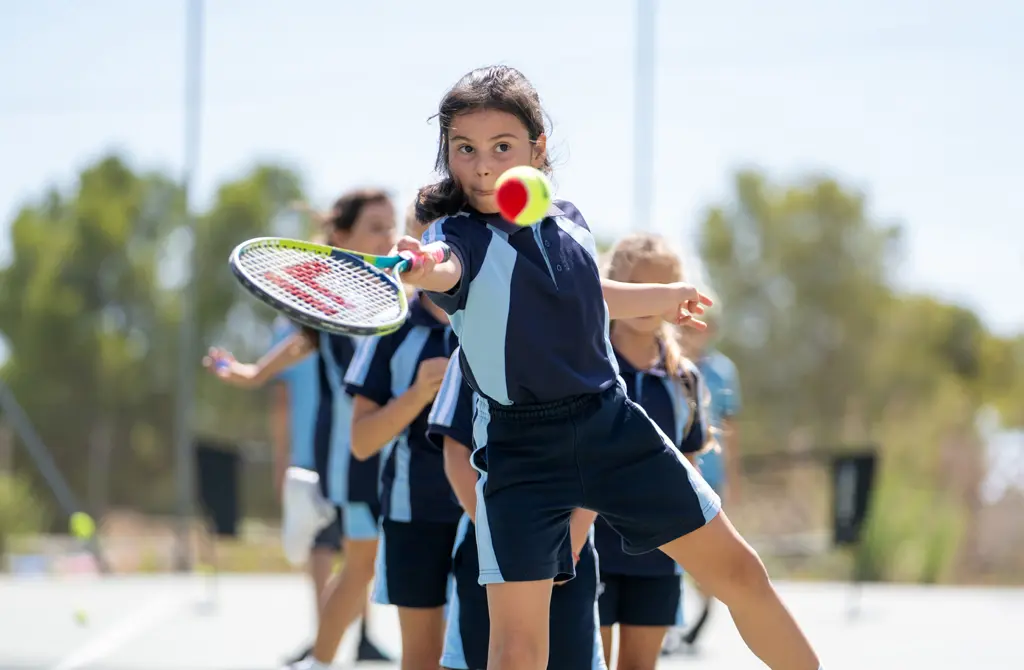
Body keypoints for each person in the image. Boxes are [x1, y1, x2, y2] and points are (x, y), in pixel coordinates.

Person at [394, 64, 823, 670]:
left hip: (610, 426)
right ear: (448, 155)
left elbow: (591, 291)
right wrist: (418, 264)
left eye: (502, 146)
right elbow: (443, 266)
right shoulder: (456, 236)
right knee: (516, 650)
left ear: (537, 148)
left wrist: (664, 296)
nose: (483, 166)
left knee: (742, 574)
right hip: (520, 453)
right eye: (465, 149)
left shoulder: (566, 218)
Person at [203, 189, 395, 666]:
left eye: (392, 226)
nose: (388, 237)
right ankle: (322, 656)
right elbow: (297, 345)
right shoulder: (331, 301)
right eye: (376, 227)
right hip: (349, 454)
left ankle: (324, 653)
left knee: (364, 566)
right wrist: (251, 373)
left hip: (392, 451)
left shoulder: (396, 294)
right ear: (342, 236)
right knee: (359, 566)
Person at [428, 350, 606, 670]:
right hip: (489, 546)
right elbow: (455, 454)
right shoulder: (471, 352)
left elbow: (599, 459)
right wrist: (497, 537)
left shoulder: (589, 347)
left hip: (572, 552)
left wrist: (570, 546)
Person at [595, 233, 714, 670]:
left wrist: (702, 548)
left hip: (660, 557)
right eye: (637, 287)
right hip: (592, 548)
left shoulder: (684, 380)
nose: (648, 301)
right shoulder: (589, 366)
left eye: (661, 288)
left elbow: (690, 467)